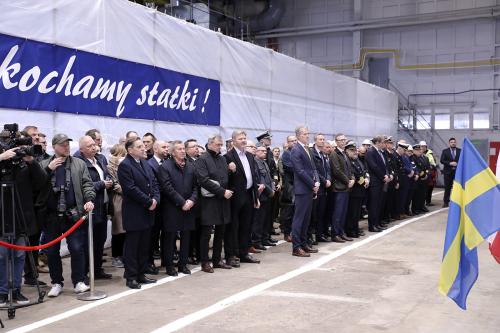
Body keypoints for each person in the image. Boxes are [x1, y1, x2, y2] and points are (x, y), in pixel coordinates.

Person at [39, 134, 95, 297]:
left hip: (73, 214)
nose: (66, 147)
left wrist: (89, 199)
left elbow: (87, 184)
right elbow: (37, 186)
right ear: (54, 146)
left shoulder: (78, 163)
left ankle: (78, 281)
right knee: (51, 251)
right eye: (62, 145)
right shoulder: (44, 164)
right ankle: (56, 282)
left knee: (77, 248)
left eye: (68, 144)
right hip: (51, 216)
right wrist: (49, 170)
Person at [0, 141, 47, 305]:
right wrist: (1, 158)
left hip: (21, 218)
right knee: (3, 256)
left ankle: (16, 291)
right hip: (3, 219)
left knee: (20, 255)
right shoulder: (2, 163)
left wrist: (31, 161)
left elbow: (42, 182)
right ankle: (3, 292)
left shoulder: (24, 165)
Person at [118, 137, 160, 289]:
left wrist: (155, 198)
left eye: (143, 146)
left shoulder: (144, 162)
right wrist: (148, 202)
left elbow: (154, 182)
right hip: (135, 211)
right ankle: (131, 277)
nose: (144, 149)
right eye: (139, 146)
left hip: (148, 211)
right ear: (130, 150)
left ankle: (141, 273)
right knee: (132, 246)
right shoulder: (125, 165)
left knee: (144, 245)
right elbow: (130, 189)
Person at [75, 136, 113, 280]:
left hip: (103, 205)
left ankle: (97, 269)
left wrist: (108, 179)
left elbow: (106, 173)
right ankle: (84, 273)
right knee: (87, 243)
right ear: (82, 149)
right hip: (89, 207)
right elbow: (83, 184)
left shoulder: (101, 158)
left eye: (94, 144)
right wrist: (101, 184)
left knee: (100, 240)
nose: (94, 147)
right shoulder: (79, 162)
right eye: (90, 145)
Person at [158, 140, 197, 276]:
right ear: (173, 152)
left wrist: (192, 200)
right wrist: (182, 202)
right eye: (179, 149)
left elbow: (196, 187)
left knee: (186, 236)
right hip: (172, 208)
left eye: (183, 149)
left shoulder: (191, 166)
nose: (182, 151)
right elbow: (167, 188)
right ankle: (169, 266)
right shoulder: (165, 167)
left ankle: (183, 264)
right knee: (170, 238)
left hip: (189, 206)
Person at [195, 134, 232, 273]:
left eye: (221, 144)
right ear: (210, 144)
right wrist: (222, 191)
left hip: (222, 200)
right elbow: (203, 180)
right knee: (206, 233)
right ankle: (205, 261)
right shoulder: (202, 159)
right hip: (209, 201)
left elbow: (225, 177)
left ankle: (217, 259)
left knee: (220, 231)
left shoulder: (222, 159)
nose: (220, 147)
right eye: (217, 144)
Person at [225, 130, 260, 266]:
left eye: (245, 138)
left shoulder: (250, 156)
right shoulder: (227, 157)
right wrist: (229, 170)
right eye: (240, 138)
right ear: (233, 141)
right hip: (235, 197)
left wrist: (255, 196)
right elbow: (225, 178)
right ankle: (231, 255)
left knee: (246, 226)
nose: (244, 140)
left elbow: (253, 177)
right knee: (233, 227)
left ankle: (243, 252)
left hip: (248, 195)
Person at [290, 126, 319, 257]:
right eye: (305, 134)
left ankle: (304, 243)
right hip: (302, 189)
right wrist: (313, 184)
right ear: (298, 136)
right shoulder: (296, 150)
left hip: (309, 188)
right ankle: (296, 247)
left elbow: (313, 168)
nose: (307, 136)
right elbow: (300, 171)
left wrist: (317, 181)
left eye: (308, 133)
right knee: (299, 219)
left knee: (306, 219)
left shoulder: (307, 149)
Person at [147, 140, 169, 273]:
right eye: (164, 147)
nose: (167, 149)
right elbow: (155, 185)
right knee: (153, 236)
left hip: (169, 206)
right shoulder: (150, 165)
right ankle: (149, 262)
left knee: (167, 235)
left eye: (167, 147)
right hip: (156, 206)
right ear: (155, 149)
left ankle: (166, 260)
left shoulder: (168, 163)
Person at [330, 133, 354, 242]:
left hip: (346, 187)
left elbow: (350, 169)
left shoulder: (344, 153)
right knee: (338, 212)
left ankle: (341, 232)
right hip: (339, 188)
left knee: (344, 211)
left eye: (344, 139)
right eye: (341, 140)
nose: (343, 141)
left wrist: (352, 178)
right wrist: (347, 181)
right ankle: (335, 234)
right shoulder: (334, 154)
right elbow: (336, 171)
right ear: (336, 141)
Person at [252, 143, 276, 250]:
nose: (264, 152)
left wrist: (273, 188)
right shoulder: (255, 162)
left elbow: (269, 179)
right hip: (262, 194)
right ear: (256, 151)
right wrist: (269, 190)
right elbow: (260, 180)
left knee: (266, 218)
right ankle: (257, 240)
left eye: (265, 151)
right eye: (261, 151)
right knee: (259, 219)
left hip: (268, 194)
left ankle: (265, 238)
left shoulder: (264, 163)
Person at [107, 144, 127, 268]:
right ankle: (116, 256)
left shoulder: (125, 167)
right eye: (123, 155)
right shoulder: (110, 168)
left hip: (126, 199)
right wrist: (128, 189)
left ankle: (123, 255)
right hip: (117, 200)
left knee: (125, 229)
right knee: (118, 230)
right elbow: (115, 185)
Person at [365, 135, 390, 232]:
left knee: (378, 203)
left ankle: (377, 223)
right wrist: (383, 176)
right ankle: (372, 225)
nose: (384, 144)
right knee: (373, 204)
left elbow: (384, 165)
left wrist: (386, 175)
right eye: (383, 142)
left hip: (380, 181)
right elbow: (373, 166)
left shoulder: (380, 152)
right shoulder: (371, 152)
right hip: (375, 181)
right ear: (378, 142)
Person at [345, 141, 369, 238]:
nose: (355, 152)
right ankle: (350, 230)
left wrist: (366, 179)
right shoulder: (349, 161)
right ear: (347, 151)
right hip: (354, 191)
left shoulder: (357, 160)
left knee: (357, 212)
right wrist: (363, 181)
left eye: (355, 150)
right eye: (352, 150)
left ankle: (355, 228)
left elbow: (363, 171)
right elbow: (355, 175)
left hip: (360, 190)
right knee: (352, 212)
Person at [310, 134, 331, 244]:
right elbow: (315, 171)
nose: (322, 141)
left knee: (321, 212)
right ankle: (313, 236)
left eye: (323, 139)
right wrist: (324, 181)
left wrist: (328, 179)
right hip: (317, 187)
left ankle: (320, 234)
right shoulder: (312, 153)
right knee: (314, 213)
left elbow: (327, 169)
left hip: (324, 187)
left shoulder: (322, 154)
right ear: (315, 141)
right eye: (320, 139)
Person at [185, 139, 201, 265]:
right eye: (193, 146)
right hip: (191, 200)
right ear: (186, 149)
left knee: (198, 229)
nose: (196, 148)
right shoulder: (186, 162)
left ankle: (196, 252)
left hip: (200, 201)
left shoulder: (198, 160)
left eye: (197, 146)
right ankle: (190, 254)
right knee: (190, 230)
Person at [279, 135, 297, 242]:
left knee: (296, 211)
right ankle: (286, 233)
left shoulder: (298, 152)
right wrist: (300, 167)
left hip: (298, 185)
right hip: (290, 186)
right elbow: (290, 168)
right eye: (292, 141)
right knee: (288, 211)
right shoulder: (286, 154)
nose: (294, 142)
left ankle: (293, 232)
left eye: (295, 140)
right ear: (288, 143)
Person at [440, 138, 461, 208]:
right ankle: (446, 202)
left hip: (457, 172)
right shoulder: (445, 151)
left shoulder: (460, 151)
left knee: (458, 187)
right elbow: (442, 160)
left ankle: (458, 202)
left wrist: (457, 163)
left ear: (456, 143)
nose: (453, 143)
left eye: (454, 142)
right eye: (451, 142)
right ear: (449, 143)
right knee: (447, 188)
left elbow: (463, 159)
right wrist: (450, 163)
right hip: (448, 172)